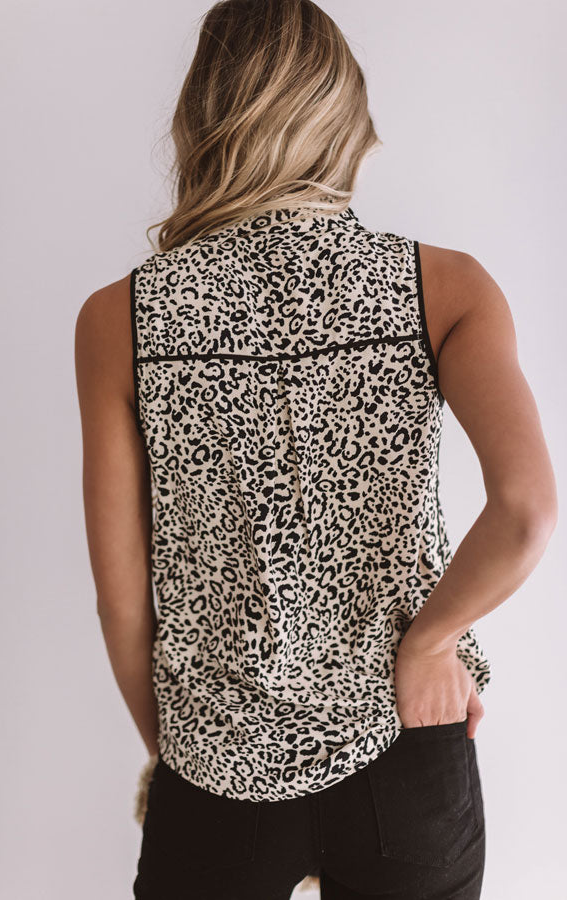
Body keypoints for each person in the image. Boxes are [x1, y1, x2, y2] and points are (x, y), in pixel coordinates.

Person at [74, 2, 558, 898]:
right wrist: (430, 644)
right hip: (407, 737)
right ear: (346, 123)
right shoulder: (445, 287)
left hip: (217, 758)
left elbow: (121, 601)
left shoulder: (120, 319)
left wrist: (183, 760)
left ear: (202, 123)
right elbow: (527, 511)